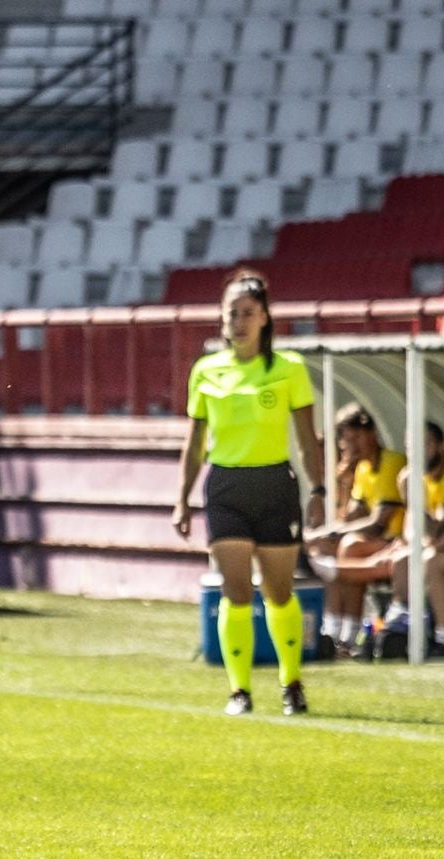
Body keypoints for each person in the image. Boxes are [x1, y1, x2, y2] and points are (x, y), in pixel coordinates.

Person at [173, 269, 325, 715]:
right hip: (226, 486)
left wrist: (317, 490)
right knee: (235, 590)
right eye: (231, 313)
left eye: (247, 313)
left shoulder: (288, 369)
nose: (238, 321)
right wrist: (181, 498)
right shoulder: (205, 371)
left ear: (264, 319)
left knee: (279, 592)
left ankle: (291, 682)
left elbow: (307, 439)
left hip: (275, 485)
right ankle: (239, 691)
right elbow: (195, 443)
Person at [305, 404, 405, 655]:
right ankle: (332, 629)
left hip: (395, 541)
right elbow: (351, 516)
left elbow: (378, 522)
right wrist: (342, 484)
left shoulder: (391, 463)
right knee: (329, 545)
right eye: (347, 439)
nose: (352, 445)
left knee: (349, 545)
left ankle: (348, 634)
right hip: (374, 542)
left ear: (372, 432)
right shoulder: (361, 468)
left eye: (357, 437)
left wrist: (333, 533)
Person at [378, 421, 444, 656]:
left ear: (441, 446)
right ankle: (400, 624)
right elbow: (413, 534)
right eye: (411, 447)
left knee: (431, 561)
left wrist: (411, 498)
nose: (416, 453)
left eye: (424, 444)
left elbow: (442, 534)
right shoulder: (421, 478)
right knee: (402, 557)